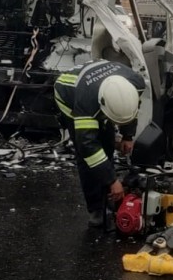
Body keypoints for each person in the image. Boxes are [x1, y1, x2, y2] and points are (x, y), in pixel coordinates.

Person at [54, 60, 146, 228]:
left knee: (107, 142)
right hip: (67, 93)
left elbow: (130, 107)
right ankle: (96, 208)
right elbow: (88, 146)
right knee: (87, 157)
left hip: (98, 84)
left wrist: (127, 135)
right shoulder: (86, 104)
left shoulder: (136, 82)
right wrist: (112, 180)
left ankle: (109, 197)